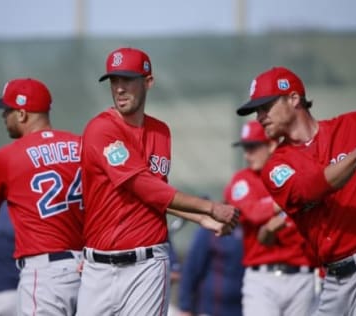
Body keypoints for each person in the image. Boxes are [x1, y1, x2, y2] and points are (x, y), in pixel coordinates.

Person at [236, 66, 356, 315]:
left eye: (265, 106)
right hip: (333, 280)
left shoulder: (354, 127)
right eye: (256, 110)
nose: (259, 117)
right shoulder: (276, 165)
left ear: (293, 99)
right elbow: (309, 189)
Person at [77, 47, 239, 316]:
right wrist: (208, 208)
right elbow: (141, 184)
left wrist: (199, 219)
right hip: (99, 269)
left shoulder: (160, 132)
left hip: (148, 265)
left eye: (127, 79)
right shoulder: (101, 129)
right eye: (114, 80)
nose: (119, 88)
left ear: (148, 82)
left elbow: (154, 196)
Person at [0, 78, 84, 315]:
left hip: (45, 274)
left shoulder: (6, 157)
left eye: (6, 111)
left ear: (21, 114)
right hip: (88, 269)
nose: (3, 117)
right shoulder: (80, 145)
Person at [224, 120, 318, 316]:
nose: (246, 155)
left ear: (272, 145)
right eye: (245, 148)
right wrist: (291, 198)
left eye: (252, 147)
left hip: (302, 277)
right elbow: (253, 213)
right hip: (262, 278)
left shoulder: (294, 174)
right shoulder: (242, 180)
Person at [177, 225, 244, 316]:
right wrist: (185, 307)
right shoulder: (210, 228)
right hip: (209, 309)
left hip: (241, 309)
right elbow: (191, 268)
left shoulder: (250, 226)